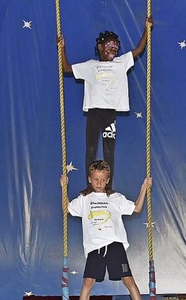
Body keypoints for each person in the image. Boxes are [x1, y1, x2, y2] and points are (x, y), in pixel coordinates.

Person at [58, 17, 153, 184]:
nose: (114, 50)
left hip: (109, 112)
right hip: (94, 112)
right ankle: (90, 186)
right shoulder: (90, 65)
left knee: (109, 151)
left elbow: (139, 48)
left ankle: (108, 186)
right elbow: (66, 68)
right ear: (100, 47)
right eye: (110, 46)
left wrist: (147, 28)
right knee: (91, 149)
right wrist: (62, 48)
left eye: (116, 48)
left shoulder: (121, 63)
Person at [60, 161, 152, 300]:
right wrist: (63, 187)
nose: (99, 183)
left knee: (128, 279)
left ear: (107, 180)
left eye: (102, 180)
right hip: (95, 247)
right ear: (89, 179)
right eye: (96, 179)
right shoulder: (84, 199)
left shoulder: (115, 198)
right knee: (88, 281)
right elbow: (67, 208)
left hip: (114, 243)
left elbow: (137, 208)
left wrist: (144, 187)